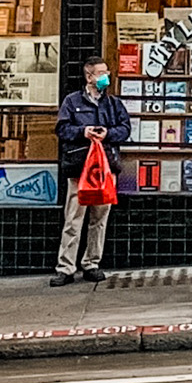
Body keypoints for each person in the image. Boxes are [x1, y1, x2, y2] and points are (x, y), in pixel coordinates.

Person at [51, 59, 131, 285]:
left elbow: (125, 129)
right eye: (101, 73)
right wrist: (83, 131)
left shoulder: (113, 104)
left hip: (105, 169)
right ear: (89, 77)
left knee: (100, 218)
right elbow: (62, 129)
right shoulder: (72, 102)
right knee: (74, 218)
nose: (106, 76)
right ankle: (66, 267)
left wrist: (108, 133)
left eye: (107, 72)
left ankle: (91, 263)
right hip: (80, 168)